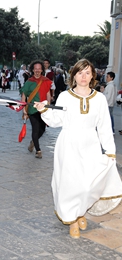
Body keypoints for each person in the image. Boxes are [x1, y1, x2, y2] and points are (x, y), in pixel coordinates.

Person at [33, 59, 122, 239]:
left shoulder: (99, 99)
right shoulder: (65, 96)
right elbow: (57, 120)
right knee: (70, 184)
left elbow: (104, 127)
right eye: (80, 72)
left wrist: (109, 150)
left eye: (87, 73)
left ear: (93, 76)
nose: (84, 76)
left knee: (88, 185)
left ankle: (80, 211)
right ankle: (72, 218)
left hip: (91, 145)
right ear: (74, 76)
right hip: (69, 144)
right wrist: (44, 110)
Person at [20, 60, 52, 159]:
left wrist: (49, 106)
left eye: (39, 69)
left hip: (43, 109)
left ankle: (33, 142)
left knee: (42, 129)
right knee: (35, 129)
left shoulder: (46, 80)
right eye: (35, 69)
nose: (37, 71)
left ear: (42, 70)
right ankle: (38, 150)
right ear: (33, 70)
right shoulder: (29, 82)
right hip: (33, 109)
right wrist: (24, 110)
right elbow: (24, 95)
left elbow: (48, 94)